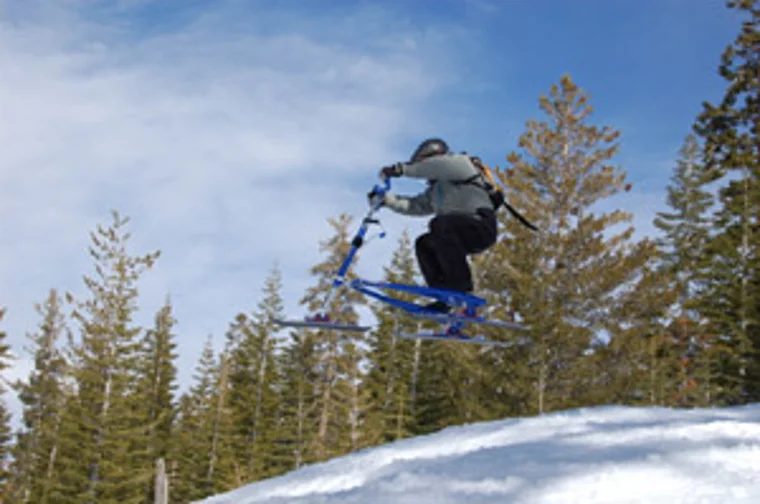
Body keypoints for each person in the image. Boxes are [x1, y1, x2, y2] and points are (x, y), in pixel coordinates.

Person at [370, 138, 498, 313]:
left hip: (480, 225)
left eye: (424, 163)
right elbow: (415, 205)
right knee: (425, 244)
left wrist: (400, 169)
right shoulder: (436, 190)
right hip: (457, 232)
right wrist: (386, 200)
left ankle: (461, 289)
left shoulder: (459, 164)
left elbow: (433, 166)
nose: (427, 174)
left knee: (440, 224)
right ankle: (444, 297)